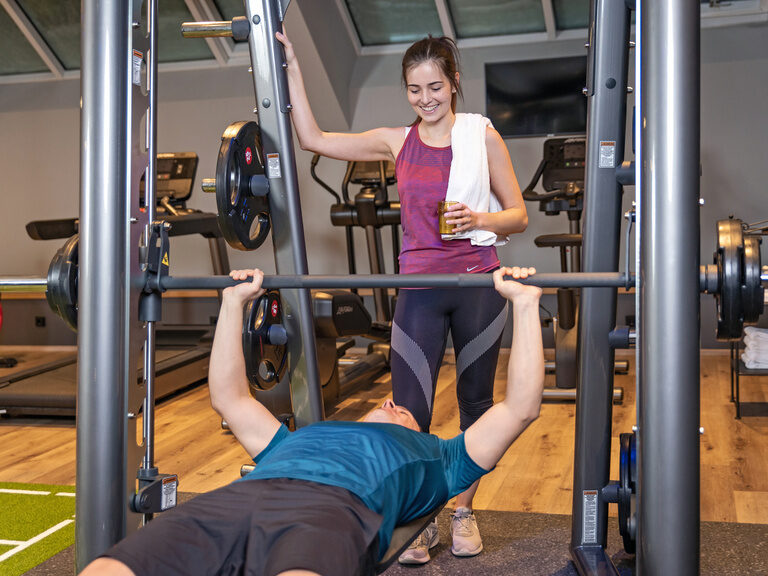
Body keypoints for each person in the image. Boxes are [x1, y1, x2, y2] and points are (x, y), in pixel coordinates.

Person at [80, 266, 543, 576]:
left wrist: (523, 304)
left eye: (401, 409)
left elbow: (519, 406)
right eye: (387, 402)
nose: (390, 401)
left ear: (420, 429)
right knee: (106, 569)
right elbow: (229, 398)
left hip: (331, 513)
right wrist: (232, 303)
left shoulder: (444, 458)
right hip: (238, 499)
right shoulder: (295, 440)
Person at [275, 30, 528, 563]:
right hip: (418, 288)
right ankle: (421, 520)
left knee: (476, 404)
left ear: (454, 84)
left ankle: (463, 513)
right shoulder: (397, 140)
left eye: (435, 86)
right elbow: (313, 138)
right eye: (415, 90)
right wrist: (293, 64)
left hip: (478, 283)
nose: (426, 98)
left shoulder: (482, 137)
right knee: (408, 409)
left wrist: (479, 219)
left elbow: (518, 215)